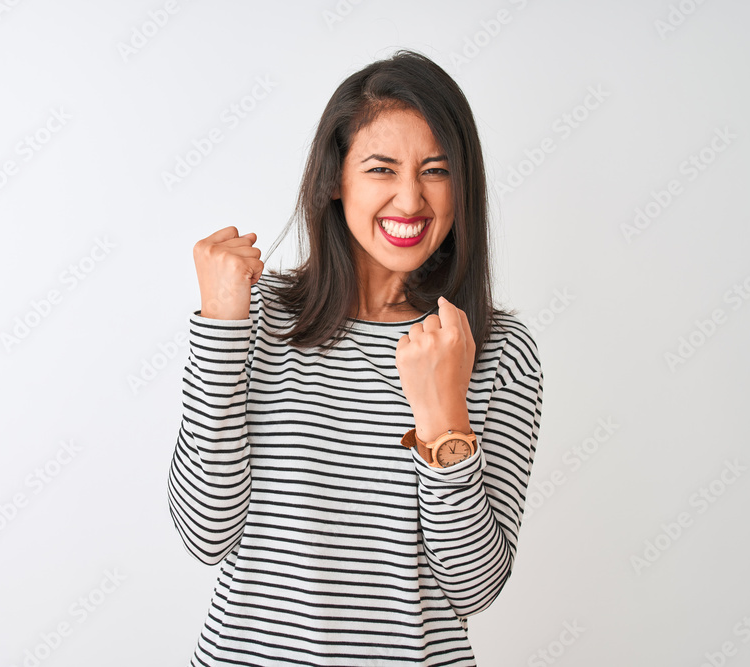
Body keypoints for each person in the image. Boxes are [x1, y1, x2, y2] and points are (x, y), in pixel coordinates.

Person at [167, 49, 544, 666]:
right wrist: (220, 327)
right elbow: (205, 534)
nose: (410, 199)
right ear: (335, 181)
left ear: (462, 186)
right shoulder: (256, 321)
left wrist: (443, 421)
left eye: (436, 170)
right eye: (381, 169)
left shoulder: (496, 350)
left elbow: (476, 588)